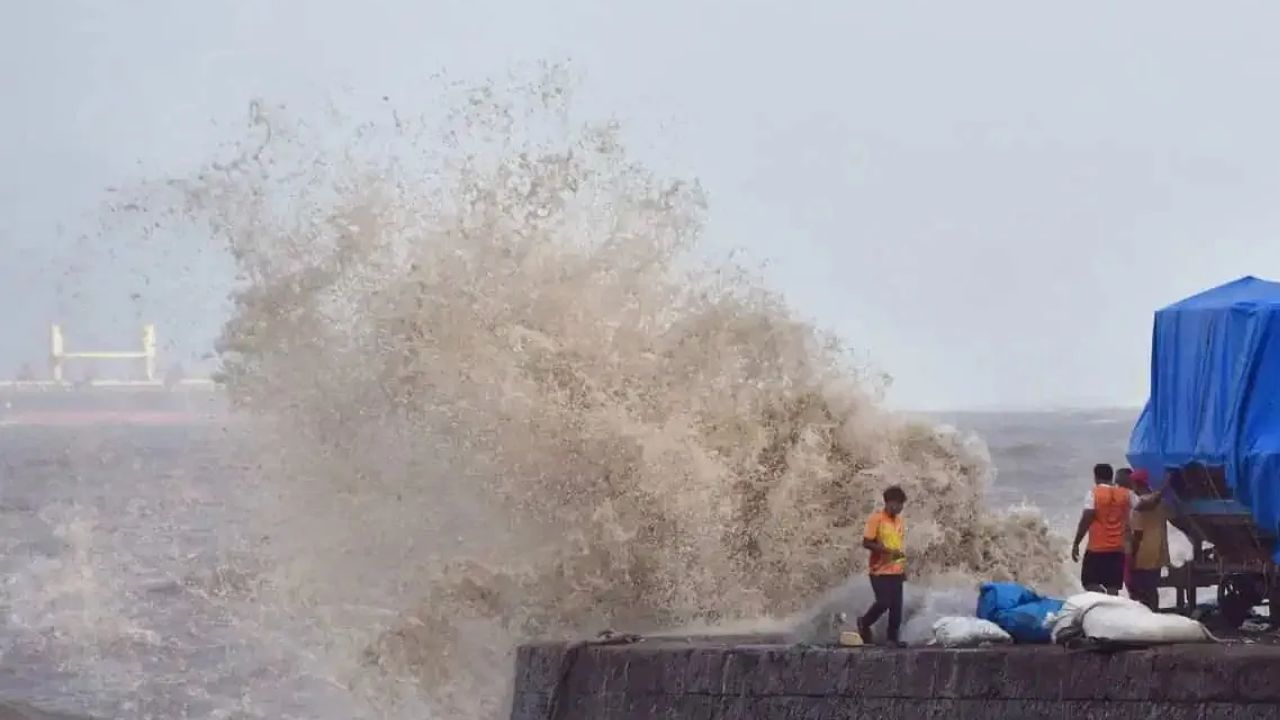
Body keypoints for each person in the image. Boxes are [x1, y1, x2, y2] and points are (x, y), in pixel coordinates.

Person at [1071, 463, 1162, 594]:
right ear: (1111, 477)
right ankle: (1111, 606)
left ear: (1096, 477)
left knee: (1089, 583)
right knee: (1113, 586)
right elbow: (1146, 506)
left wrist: (1076, 542)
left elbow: (1088, 517)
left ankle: (1101, 599)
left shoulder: (1094, 493)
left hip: (1096, 548)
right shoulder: (1126, 494)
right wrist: (1159, 493)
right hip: (1118, 548)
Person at [858, 486, 907, 646]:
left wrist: (902, 567)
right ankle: (864, 623)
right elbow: (867, 542)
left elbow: (897, 547)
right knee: (883, 602)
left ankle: (892, 639)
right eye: (898, 504)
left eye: (901, 505)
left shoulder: (899, 521)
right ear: (889, 503)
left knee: (897, 609)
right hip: (879, 570)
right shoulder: (876, 519)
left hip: (896, 570)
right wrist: (886, 551)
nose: (900, 508)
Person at [1127, 469, 1169, 610]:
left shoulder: (1139, 504)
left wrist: (1131, 554)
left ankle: (1143, 616)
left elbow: (1137, 533)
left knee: (1137, 590)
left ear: (1135, 483)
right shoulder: (1160, 503)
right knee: (1151, 588)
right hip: (1158, 552)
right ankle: (1153, 614)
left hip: (1142, 554)